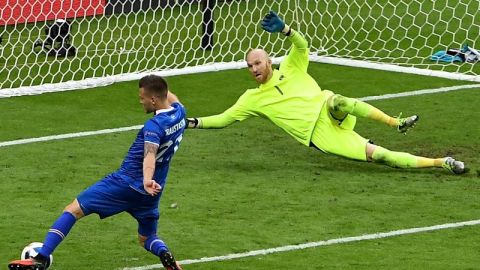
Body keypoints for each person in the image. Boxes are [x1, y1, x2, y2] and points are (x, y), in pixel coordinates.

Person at [186, 11, 466, 174]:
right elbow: (223, 119)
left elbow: (302, 46)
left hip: (328, 108)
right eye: (249, 66)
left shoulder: (292, 67)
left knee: (338, 100)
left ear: (269, 61)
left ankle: (396, 122)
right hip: (319, 135)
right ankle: (443, 162)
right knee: (381, 157)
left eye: (258, 62)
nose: (254, 68)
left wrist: (285, 29)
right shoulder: (252, 98)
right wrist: (191, 122)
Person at [9, 75, 185, 270]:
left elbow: (149, 155)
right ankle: (164, 254)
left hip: (127, 182)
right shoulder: (179, 113)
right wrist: (156, 83)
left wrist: (146, 180)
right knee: (147, 238)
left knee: (72, 210)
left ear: (153, 99)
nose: (140, 100)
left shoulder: (154, 126)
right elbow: (167, 94)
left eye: (142, 97)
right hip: (153, 191)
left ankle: (40, 258)